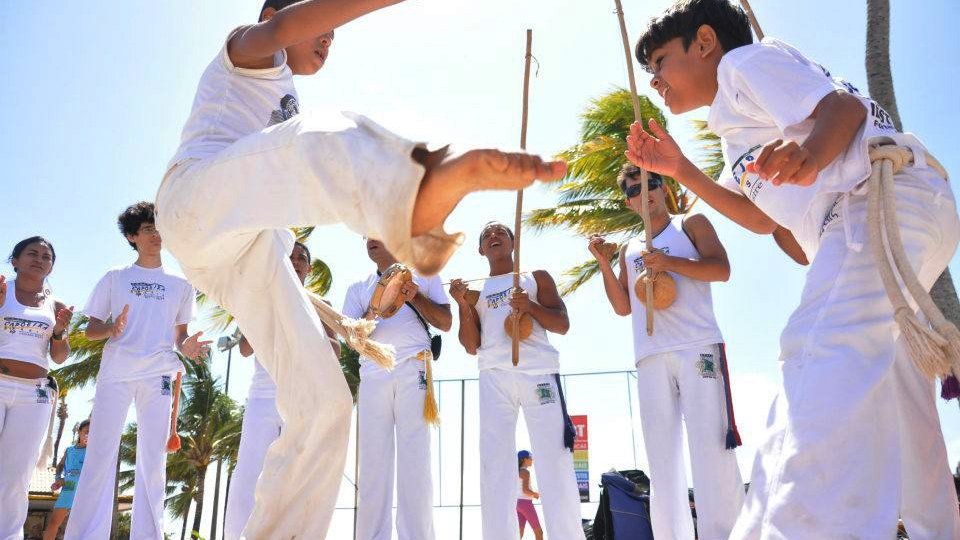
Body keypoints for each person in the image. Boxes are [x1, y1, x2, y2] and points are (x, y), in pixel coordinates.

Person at [155, 0, 566, 536]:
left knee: (325, 407)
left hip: (244, 255)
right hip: (196, 197)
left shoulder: (287, 101)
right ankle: (410, 194)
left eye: (332, 35)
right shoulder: (245, 50)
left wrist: (336, 320)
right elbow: (282, 29)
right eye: (321, 30)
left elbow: (280, 256)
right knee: (324, 136)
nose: (328, 41)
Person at [628, 1, 960, 537]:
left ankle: (792, 527)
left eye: (660, 61)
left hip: (874, 200)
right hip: (902, 208)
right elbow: (760, 218)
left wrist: (811, 155)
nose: (655, 81)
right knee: (899, 395)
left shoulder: (744, 66)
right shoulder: (735, 129)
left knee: (814, 351)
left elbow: (845, 111)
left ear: (706, 41)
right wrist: (679, 168)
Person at [589, 164, 743, 539]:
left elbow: (721, 270)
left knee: (711, 449)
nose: (644, 192)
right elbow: (624, 307)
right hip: (650, 356)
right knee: (662, 460)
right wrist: (604, 264)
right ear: (628, 202)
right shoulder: (628, 248)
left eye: (650, 183)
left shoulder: (691, 223)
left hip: (696, 347)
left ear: (663, 186)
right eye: (633, 189)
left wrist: (669, 262)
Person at [65, 202, 208, 540]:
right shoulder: (115, 278)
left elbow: (181, 334)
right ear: (132, 236)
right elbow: (90, 330)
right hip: (116, 373)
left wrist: (186, 345)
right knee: (100, 454)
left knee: (153, 462)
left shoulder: (181, 284)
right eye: (146, 229)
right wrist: (111, 328)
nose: (155, 234)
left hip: (158, 374)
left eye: (158, 227)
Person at [449, 222, 585, 540]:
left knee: (554, 460)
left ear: (513, 243)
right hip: (494, 377)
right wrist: (463, 305)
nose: (493, 236)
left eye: (501, 232)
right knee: (495, 466)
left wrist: (530, 307)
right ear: (480, 249)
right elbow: (471, 346)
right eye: (486, 235)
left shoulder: (535, 278)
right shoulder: (476, 290)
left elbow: (562, 324)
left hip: (538, 373)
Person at [224, 241, 340, 540]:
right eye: (291, 257)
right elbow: (246, 349)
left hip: (301, 401)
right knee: (249, 473)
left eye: (302, 258)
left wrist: (312, 337)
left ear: (309, 268)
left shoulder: (318, 304)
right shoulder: (261, 298)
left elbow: (337, 351)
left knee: (297, 477)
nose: (297, 261)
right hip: (263, 398)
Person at [342, 238, 451, 540]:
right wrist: (375, 310)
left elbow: (445, 321)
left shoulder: (424, 274)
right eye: (366, 237)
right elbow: (350, 338)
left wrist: (414, 297)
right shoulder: (358, 288)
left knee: (415, 458)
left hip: (413, 367)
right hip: (373, 374)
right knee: (373, 463)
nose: (371, 241)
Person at [0, 236, 72, 540]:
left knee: (16, 476)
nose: (39, 259)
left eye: (46, 256)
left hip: (35, 395)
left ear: (51, 267)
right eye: (32, 253)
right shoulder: (3, 294)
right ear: (15, 261)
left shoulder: (55, 306)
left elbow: (59, 355)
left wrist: (58, 331)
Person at [44, 420, 90, 540]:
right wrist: (58, 479)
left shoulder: (93, 451)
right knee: (54, 522)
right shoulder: (70, 450)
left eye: (92, 433)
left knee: (80, 526)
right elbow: (60, 466)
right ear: (79, 432)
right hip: (68, 488)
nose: (88, 435)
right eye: (86, 432)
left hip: (85, 491)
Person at [516, 450, 543, 540]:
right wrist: (535, 494)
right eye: (530, 458)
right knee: (539, 532)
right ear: (524, 459)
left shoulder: (516, 472)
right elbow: (525, 490)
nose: (532, 460)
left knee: (519, 533)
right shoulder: (525, 472)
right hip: (525, 504)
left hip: (518, 504)